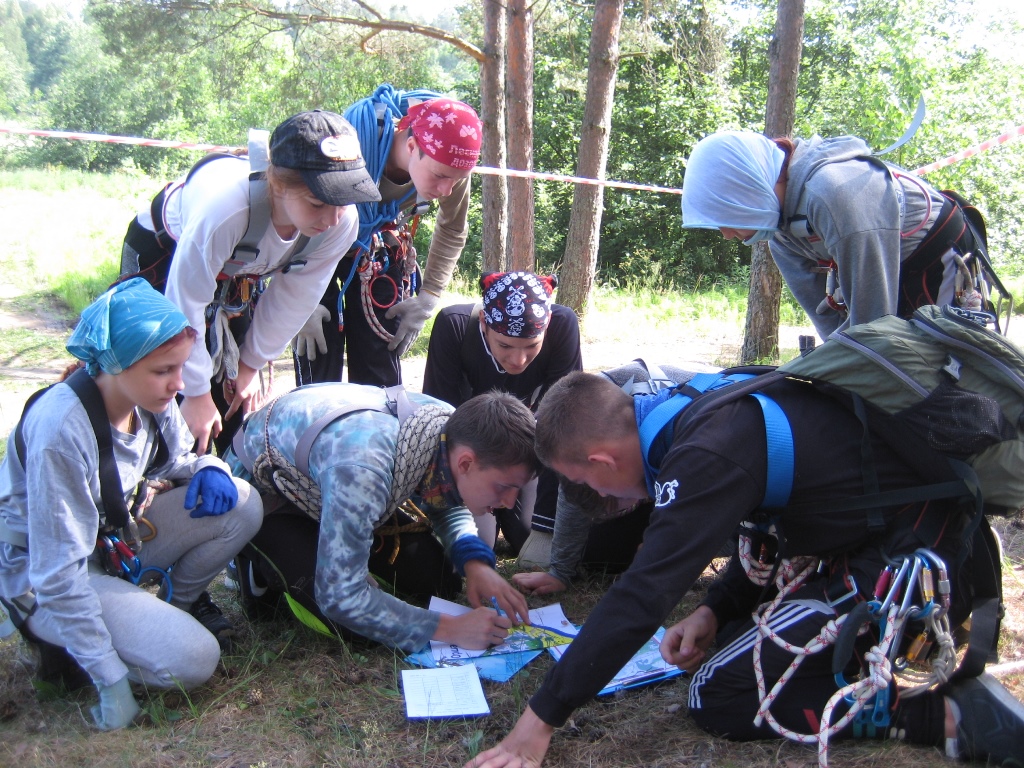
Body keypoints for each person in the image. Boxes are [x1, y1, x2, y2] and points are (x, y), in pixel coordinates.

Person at [466, 370, 1024, 767]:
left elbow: (642, 596)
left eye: (587, 485)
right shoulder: (698, 406)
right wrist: (714, 608)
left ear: (600, 461)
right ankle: (858, 664)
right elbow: (766, 531)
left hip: (914, 563)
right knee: (731, 639)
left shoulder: (704, 453)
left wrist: (539, 721)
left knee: (717, 693)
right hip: (873, 538)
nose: (596, 497)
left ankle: (943, 715)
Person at [0, 279, 263, 731]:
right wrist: (111, 680)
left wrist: (209, 468)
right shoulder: (61, 432)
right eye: (164, 370)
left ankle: (170, 614)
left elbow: (177, 458)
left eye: (180, 367)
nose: (178, 384)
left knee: (242, 502)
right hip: (48, 574)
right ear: (115, 364)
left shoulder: (149, 398)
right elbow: (57, 574)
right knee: (197, 659)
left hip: (107, 543)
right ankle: (75, 650)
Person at [121, 109, 379, 455]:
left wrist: (249, 364)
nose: (333, 219)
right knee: (153, 379)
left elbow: (295, 298)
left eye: (343, 201)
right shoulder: (226, 210)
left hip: (242, 270)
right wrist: (194, 393)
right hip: (165, 252)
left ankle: (225, 480)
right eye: (318, 202)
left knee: (233, 401)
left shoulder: (338, 222)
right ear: (278, 184)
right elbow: (184, 303)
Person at [224, 384, 538, 652]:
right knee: (353, 625)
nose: (510, 503)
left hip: (335, 487)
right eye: (504, 487)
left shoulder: (451, 425)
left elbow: (442, 492)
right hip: (267, 493)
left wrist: (475, 564)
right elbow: (340, 597)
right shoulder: (364, 469)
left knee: (440, 581)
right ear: (467, 462)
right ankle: (255, 563)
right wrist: (448, 629)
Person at [680, 130, 990, 341]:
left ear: (748, 191)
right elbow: (830, 325)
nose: (724, 234)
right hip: (888, 275)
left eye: (725, 216)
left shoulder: (834, 193)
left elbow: (873, 330)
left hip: (937, 264)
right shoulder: (781, 234)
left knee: (947, 379)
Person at [292, 84, 482, 389]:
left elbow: (452, 227)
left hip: (377, 251)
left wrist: (428, 298)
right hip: (317, 245)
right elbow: (299, 212)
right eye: (440, 176)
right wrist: (297, 298)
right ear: (410, 148)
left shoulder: (452, 160)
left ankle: (375, 430)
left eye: (456, 179)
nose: (446, 190)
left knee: (379, 365)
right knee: (317, 357)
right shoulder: (351, 142)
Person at [422, 271, 582, 560]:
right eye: (505, 345)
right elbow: (437, 419)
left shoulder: (563, 326)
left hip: (528, 453)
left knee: (526, 533)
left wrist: (545, 526)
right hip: (473, 459)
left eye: (532, 346)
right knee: (479, 543)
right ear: (484, 323)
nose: (518, 360)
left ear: (547, 328)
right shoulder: (455, 326)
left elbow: (563, 424)